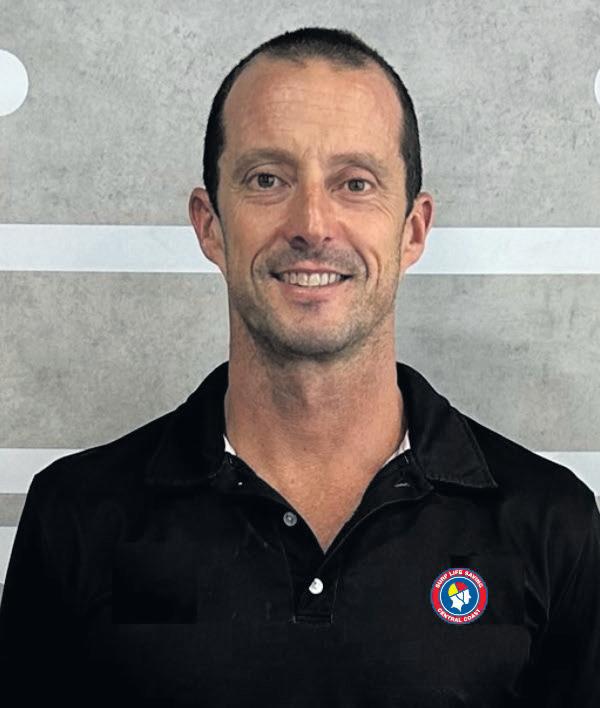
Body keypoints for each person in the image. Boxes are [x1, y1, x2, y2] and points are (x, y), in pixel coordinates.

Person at [0, 26, 598, 707]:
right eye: (267, 179)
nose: (312, 223)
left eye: (355, 183)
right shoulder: (78, 516)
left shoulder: (550, 522)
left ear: (413, 230)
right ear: (210, 224)